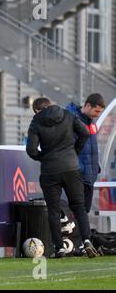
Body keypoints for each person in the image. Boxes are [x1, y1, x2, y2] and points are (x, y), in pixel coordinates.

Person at [26, 97, 99, 258]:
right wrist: (74, 153)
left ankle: (59, 248)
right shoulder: (68, 115)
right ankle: (86, 240)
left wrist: (43, 157)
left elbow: (31, 149)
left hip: (49, 171)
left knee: (53, 211)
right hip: (72, 168)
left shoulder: (36, 121)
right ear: (50, 104)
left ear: (38, 109)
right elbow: (85, 133)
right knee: (79, 207)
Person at [66, 94, 106, 213]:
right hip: (77, 175)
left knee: (84, 211)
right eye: (96, 111)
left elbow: (91, 148)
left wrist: (95, 167)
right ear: (88, 106)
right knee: (76, 211)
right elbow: (67, 148)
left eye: (100, 112)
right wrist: (78, 167)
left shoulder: (91, 124)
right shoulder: (71, 121)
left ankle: (82, 232)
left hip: (89, 175)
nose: (98, 115)